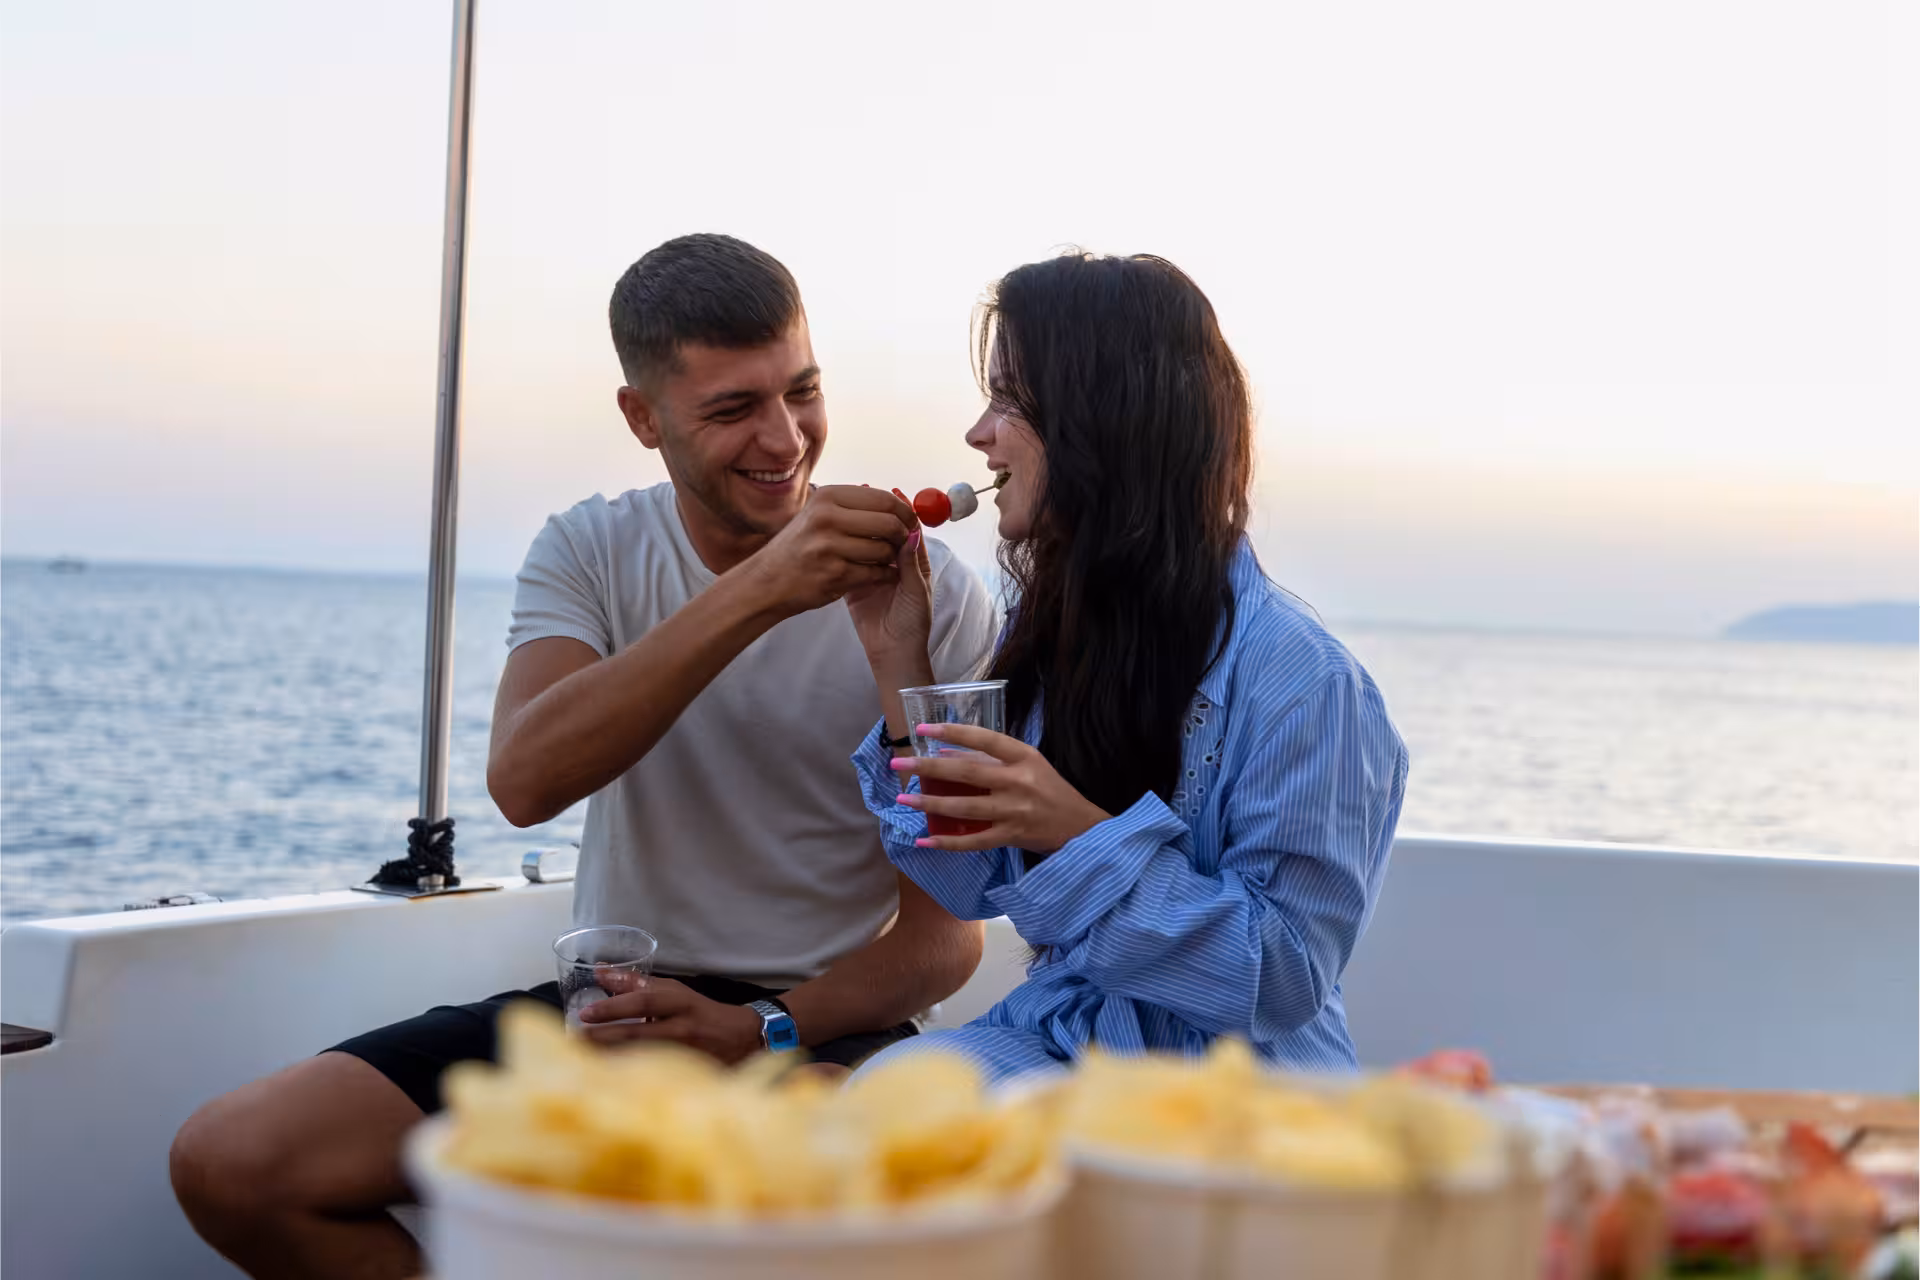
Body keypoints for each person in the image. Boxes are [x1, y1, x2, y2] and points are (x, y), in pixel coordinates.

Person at [169, 233, 998, 1279]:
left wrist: (759, 1030)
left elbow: (946, 942)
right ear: (643, 418)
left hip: (817, 1027)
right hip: (614, 1008)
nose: (786, 439)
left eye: (803, 391)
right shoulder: (591, 549)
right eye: (734, 408)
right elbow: (525, 778)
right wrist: (761, 588)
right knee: (231, 1161)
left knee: (823, 1197)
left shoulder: (939, 596)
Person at [847, 251, 1409, 1083]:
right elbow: (970, 886)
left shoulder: (1305, 683)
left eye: (1007, 398)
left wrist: (1074, 831)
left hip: (1233, 1085)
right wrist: (898, 653)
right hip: (1069, 1043)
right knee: (880, 1098)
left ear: (1100, 418)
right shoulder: (1064, 636)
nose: (978, 434)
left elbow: (1282, 978)